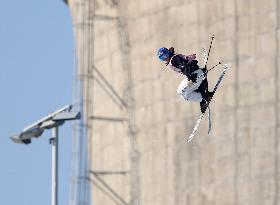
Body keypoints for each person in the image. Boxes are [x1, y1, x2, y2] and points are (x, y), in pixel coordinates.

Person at [157, 47, 213, 113]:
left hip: (195, 76)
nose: (165, 58)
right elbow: (186, 62)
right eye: (162, 58)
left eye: (165, 55)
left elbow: (184, 66)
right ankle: (201, 92)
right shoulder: (175, 58)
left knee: (183, 93)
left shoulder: (173, 59)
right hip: (195, 74)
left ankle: (204, 98)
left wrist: (191, 77)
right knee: (179, 91)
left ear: (168, 52)